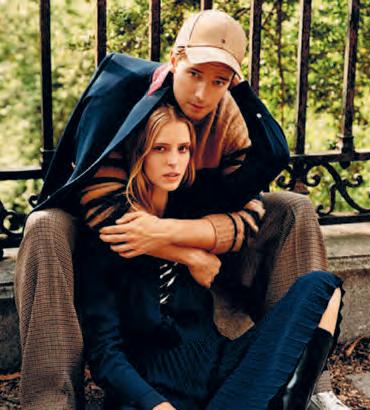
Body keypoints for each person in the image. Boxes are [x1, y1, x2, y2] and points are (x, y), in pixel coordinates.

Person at [14, 9, 348, 410]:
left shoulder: (225, 114)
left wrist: (172, 234)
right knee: (44, 224)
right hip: (105, 230)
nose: (202, 94)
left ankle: (307, 383)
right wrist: (187, 254)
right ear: (175, 59)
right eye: (194, 74)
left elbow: (253, 197)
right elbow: (104, 211)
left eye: (219, 81)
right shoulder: (121, 96)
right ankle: (50, 401)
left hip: (186, 228)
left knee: (295, 208)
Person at [78, 102, 343, 410]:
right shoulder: (109, 234)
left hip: (224, 375)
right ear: (139, 154)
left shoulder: (196, 206)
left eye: (183, 149)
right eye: (160, 148)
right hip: (155, 395)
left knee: (323, 288)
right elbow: (105, 354)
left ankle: (290, 405)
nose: (173, 161)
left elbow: (271, 156)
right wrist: (157, 405)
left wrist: (240, 89)